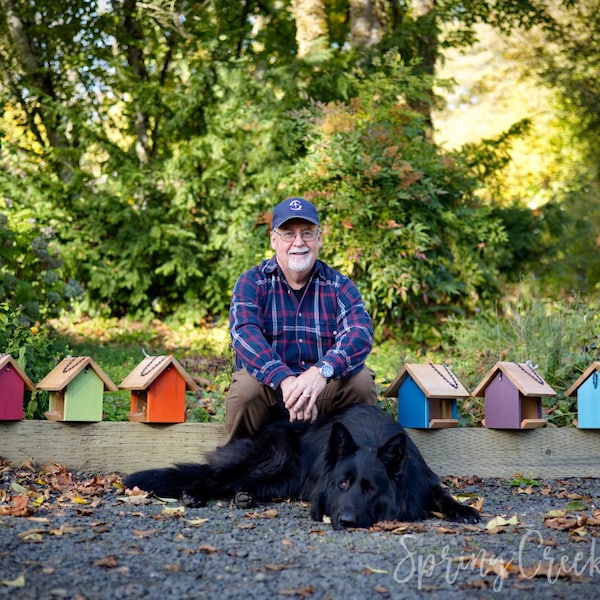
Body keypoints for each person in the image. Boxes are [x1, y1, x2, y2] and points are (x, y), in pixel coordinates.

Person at [223, 196, 378, 442]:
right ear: (274, 240)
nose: (298, 242)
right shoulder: (252, 282)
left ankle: (359, 468)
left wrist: (320, 372)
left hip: (323, 391)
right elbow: (244, 334)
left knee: (360, 382)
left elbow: (360, 333)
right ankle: (233, 472)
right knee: (245, 388)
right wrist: (284, 380)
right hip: (271, 391)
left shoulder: (340, 285)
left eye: (307, 233)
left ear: (319, 239)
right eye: (288, 234)